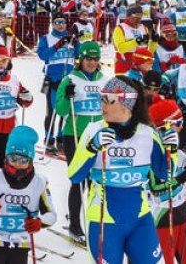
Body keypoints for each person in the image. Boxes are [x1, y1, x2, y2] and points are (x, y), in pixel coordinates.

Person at [67, 76, 170, 264]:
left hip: (140, 220)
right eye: (102, 98)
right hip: (103, 222)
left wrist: (172, 150)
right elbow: (75, 176)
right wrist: (92, 148)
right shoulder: (94, 131)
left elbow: (164, 174)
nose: (102, 104)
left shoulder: (148, 134)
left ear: (126, 104)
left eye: (108, 99)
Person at [0, 125, 56, 264]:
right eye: (13, 158)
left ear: (30, 160)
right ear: (6, 157)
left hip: (21, 243)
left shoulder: (39, 183)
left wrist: (38, 222)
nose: (17, 164)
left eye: (23, 160)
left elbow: (51, 215)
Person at [53, 39, 106, 240]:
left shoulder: (104, 80)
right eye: (88, 59)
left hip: (98, 136)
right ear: (80, 60)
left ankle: (95, 221)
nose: (91, 63)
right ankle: (75, 224)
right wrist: (68, 97)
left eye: (95, 59)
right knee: (78, 181)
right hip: (75, 135)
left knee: (96, 181)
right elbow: (60, 110)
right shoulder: (70, 79)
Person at [147, 99, 186, 264]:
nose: (182, 127)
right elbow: (157, 189)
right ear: (165, 125)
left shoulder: (172, 143)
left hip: (180, 209)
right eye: (178, 122)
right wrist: (185, 175)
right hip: (161, 215)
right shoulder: (152, 147)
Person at [36, 13, 75, 152]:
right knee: (52, 110)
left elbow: (79, 54)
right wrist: (57, 45)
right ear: (52, 24)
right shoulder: (46, 38)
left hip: (69, 80)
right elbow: (43, 55)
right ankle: (49, 139)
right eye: (57, 22)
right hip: (53, 80)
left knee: (66, 111)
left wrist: (77, 43)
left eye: (63, 22)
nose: (61, 25)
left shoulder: (71, 38)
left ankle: (61, 138)